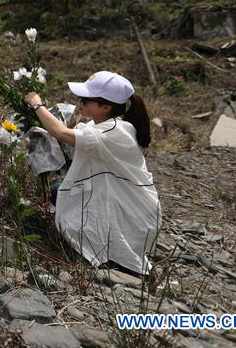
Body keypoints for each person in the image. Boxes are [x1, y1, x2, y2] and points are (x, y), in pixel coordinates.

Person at [24, 71, 161, 275]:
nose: (80, 102)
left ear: (105, 107)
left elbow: (61, 133)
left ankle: (111, 254)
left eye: (86, 99)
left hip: (133, 216)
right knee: (59, 192)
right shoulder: (114, 124)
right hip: (127, 203)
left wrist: (37, 105)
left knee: (61, 196)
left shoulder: (112, 132)